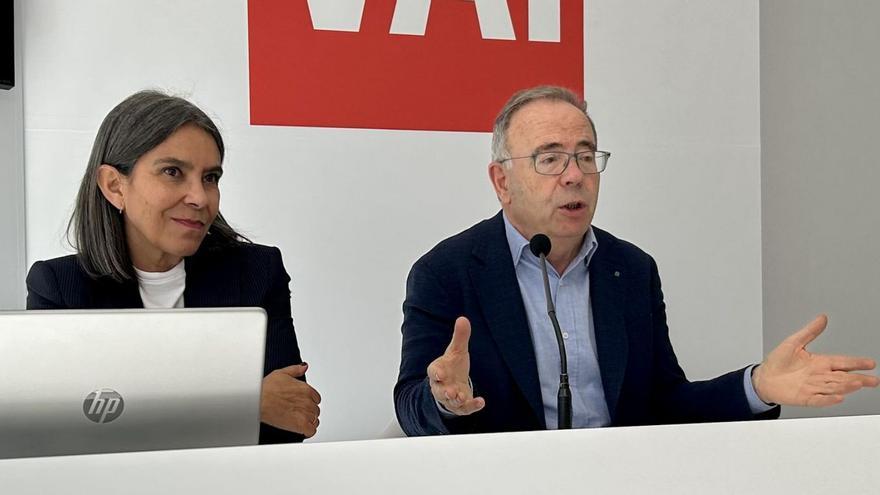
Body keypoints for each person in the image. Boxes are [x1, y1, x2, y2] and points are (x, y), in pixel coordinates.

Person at [394, 85, 879, 436]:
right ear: (502, 181)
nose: (574, 175)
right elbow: (411, 404)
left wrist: (759, 386)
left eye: (586, 156)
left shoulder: (629, 270)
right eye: (549, 158)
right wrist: (444, 400)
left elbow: (664, 404)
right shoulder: (447, 272)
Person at [26, 90, 321, 444]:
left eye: (210, 177)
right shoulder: (59, 286)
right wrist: (244, 401)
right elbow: (57, 430)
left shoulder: (256, 271)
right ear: (114, 185)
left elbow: (291, 419)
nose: (199, 197)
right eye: (172, 172)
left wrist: (133, 405)